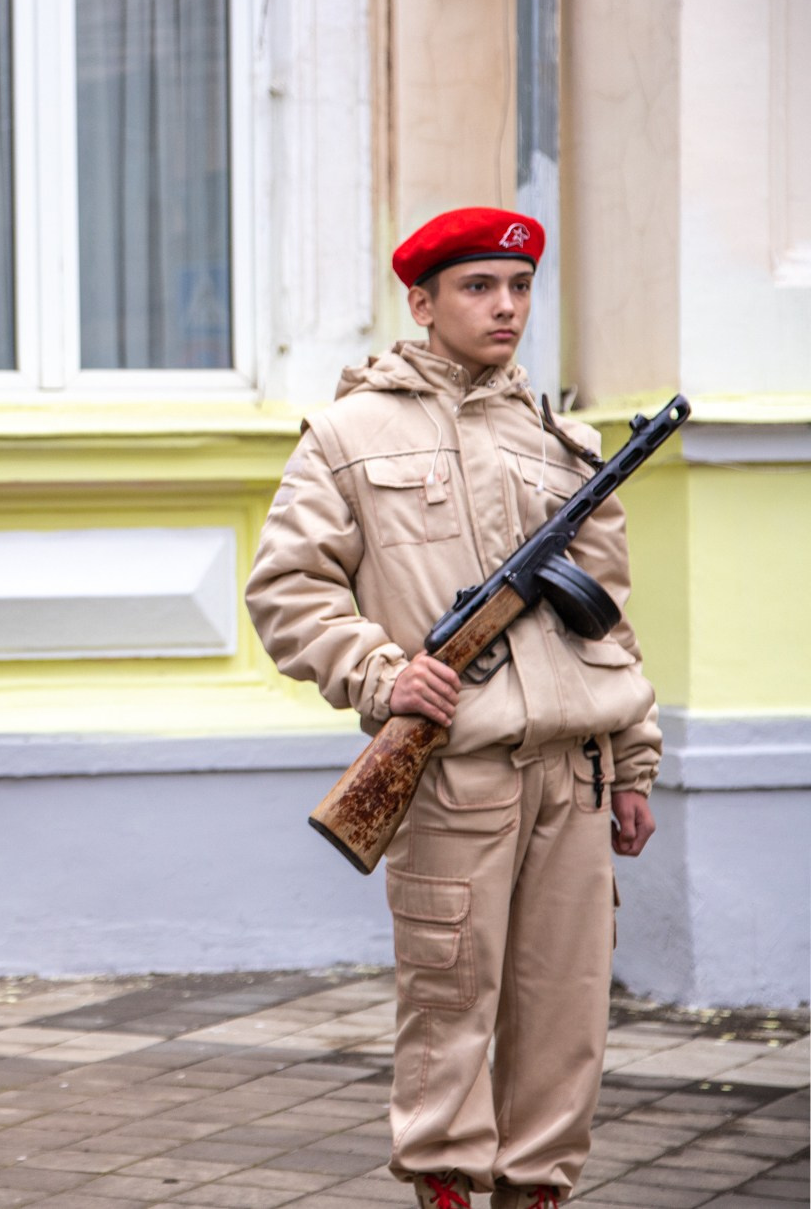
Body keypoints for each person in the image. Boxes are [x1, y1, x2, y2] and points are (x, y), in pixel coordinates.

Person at [246, 208, 660, 1209]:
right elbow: (285, 588)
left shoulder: (563, 444)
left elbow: (606, 620)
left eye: (517, 288)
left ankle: (538, 1191)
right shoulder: (348, 435)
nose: (505, 306)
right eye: (478, 287)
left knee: (563, 1010)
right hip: (449, 776)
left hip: (573, 773)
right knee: (446, 1003)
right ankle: (442, 1189)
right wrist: (383, 673)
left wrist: (633, 762)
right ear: (421, 303)